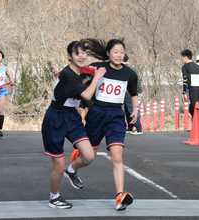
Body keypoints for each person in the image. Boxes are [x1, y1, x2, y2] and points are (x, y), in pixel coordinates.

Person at [73, 38, 138, 210]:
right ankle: (71, 168)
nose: (119, 55)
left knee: (117, 156)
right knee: (89, 157)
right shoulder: (97, 67)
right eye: (115, 52)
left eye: (121, 52)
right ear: (108, 53)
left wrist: (136, 109)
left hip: (116, 115)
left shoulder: (130, 74)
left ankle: (120, 197)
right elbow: (82, 86)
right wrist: (80, 107)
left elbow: (133, 94)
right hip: (97, 113)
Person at [42, 41, 106, 209]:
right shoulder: (69, 76)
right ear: (69, 56)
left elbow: (83, 74)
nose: (82, 56)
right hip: (55, 119)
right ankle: (53, 197)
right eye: (77, 54)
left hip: (72, 116)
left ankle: (71, 170)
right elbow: (86, 95)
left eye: (84, 53)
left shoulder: (76, 70)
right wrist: (97, 77)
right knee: (58, 167)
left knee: (89, 155)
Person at [181, 49, 199, 138]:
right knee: (192, 109)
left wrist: (184, 92)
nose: (182, 60)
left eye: (182, 58)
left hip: (193, 90)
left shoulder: (185, 67)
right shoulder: (198, 67)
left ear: (185, 57)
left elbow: (185, 80)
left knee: (197, 110)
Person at [123, 54, 143, 135]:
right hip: (131, 92)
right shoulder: (133, 68)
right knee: (128, 109)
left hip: (128, 92)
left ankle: (138, 128)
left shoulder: (124, 69)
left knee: (131, 109)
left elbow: (136, 81)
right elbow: (138, 80)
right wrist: (140, 90)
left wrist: (139, 91)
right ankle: (130, 127)